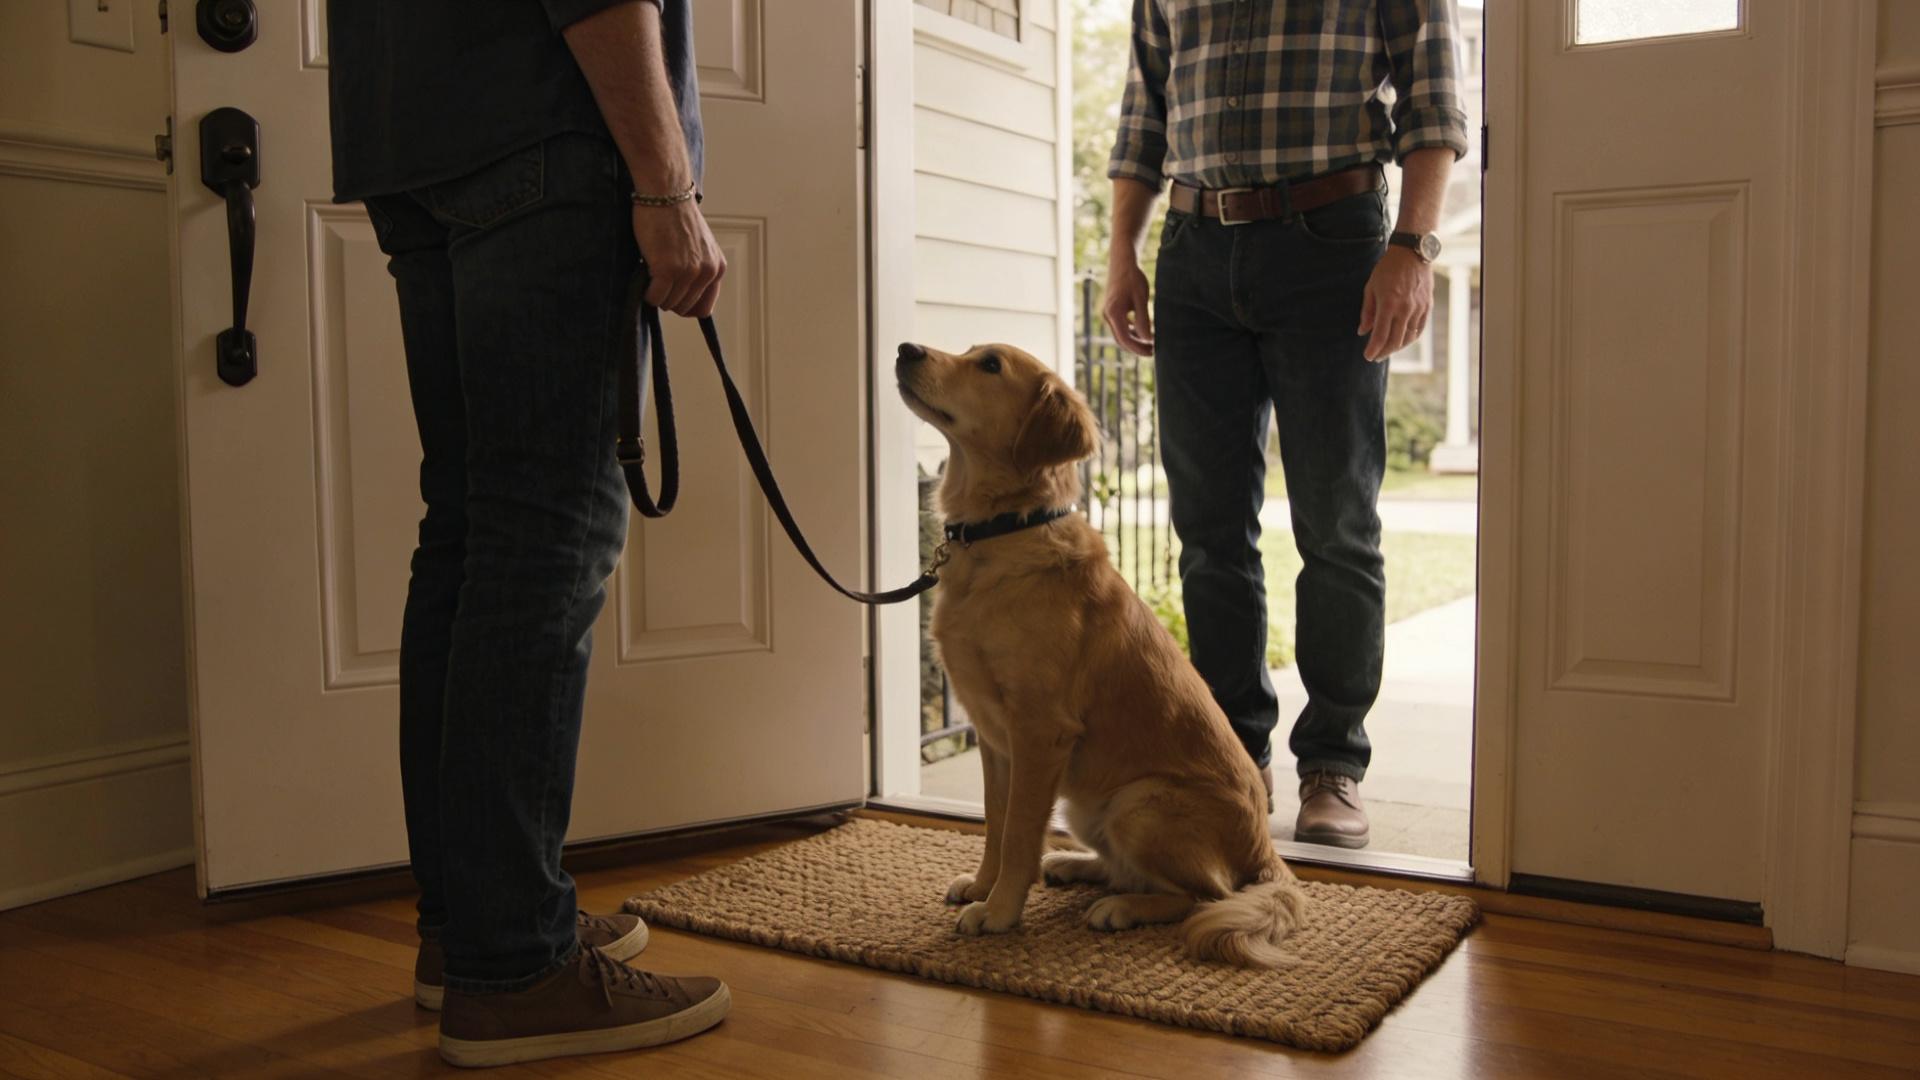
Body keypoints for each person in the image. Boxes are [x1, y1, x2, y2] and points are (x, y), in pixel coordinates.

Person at [327, 0, 729, 1066]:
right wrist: (665, 179)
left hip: (412, 131)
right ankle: (516, 965)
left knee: (467, 534)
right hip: (542, 130)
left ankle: (470, 929)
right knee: (545, 536)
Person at [1102, 0, 1468, 850]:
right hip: (1194, 249)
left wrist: (1413, 247)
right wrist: (1124, 251)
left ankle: (1333, 762)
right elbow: (1141, 119)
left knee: (1336, 523)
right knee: (1206, 528)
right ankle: (1230, 756)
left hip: (1331, 243)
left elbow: (1433, 98)